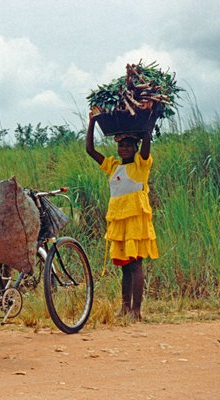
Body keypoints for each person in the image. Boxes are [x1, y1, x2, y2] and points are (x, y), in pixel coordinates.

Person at [85, 113, 158, 321]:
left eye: (128, 145)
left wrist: (148, 121)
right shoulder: (113, 166)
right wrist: (92, 122)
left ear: (135, 147)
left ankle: (136, 311)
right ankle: (124, 308)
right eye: (121, 145)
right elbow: (90, 150)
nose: (124, 148)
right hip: (119, 221)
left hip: (136, 221)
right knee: (124, 267)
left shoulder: (141, 165)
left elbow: (146, 143)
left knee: (135, 265)